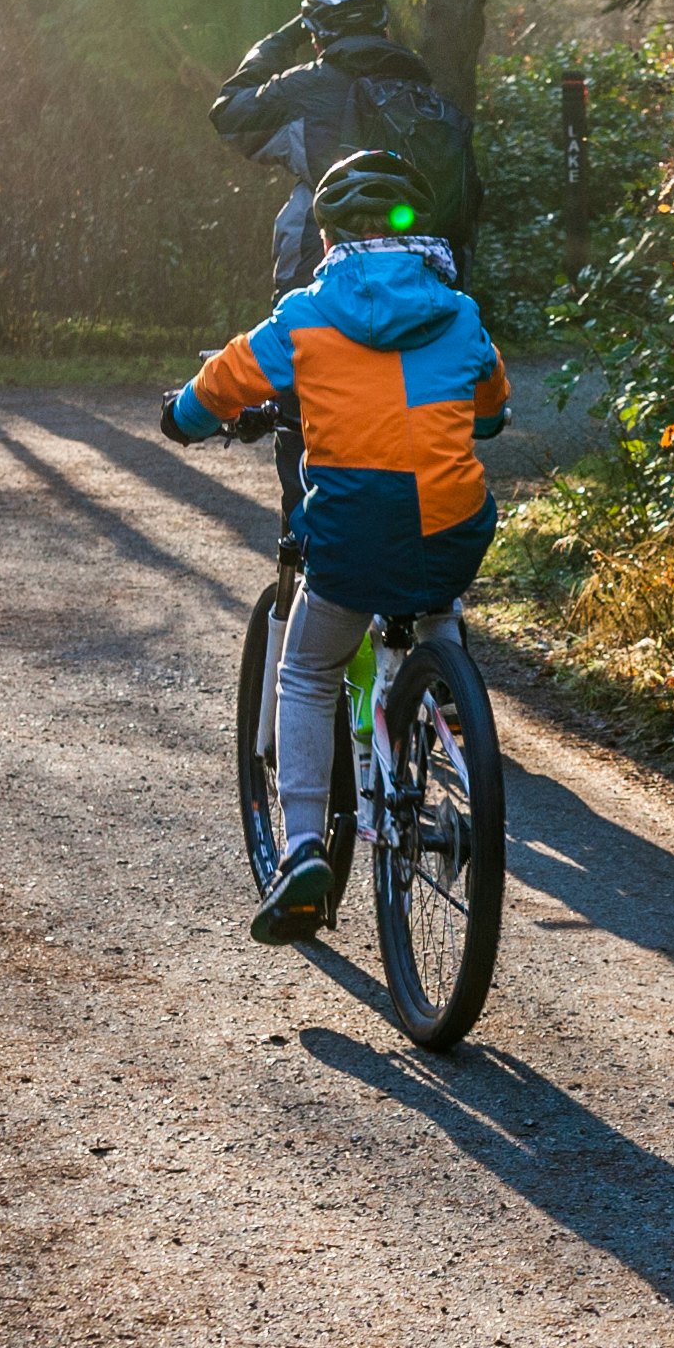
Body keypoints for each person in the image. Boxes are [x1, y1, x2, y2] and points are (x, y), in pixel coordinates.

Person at [160, 150, 509, 947]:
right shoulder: (458, 312)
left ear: (325, 237)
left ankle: (302, 852)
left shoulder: (306, 314)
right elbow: (492, 404)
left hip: (354, 537)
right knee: (433, 562)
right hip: (451, 532)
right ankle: (441, 685)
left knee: (310, 668)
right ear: (419, 232)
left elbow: (224, 382)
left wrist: (180, 417)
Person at [209, 0, 466, 294]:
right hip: (424, 282)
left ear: (315, 37)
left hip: (320, 281)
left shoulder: (305, 87)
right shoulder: (426, 97)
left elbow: (228, 112)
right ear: (383, 26)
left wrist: (286, 38)